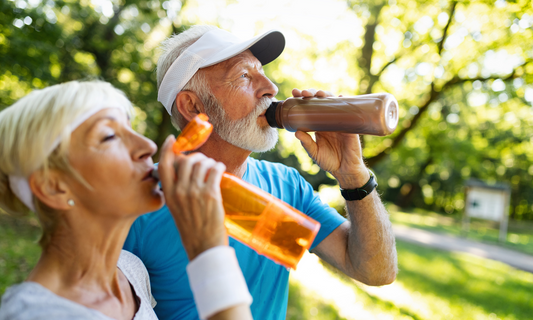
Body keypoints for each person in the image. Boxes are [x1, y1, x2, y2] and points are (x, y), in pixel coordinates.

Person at [124, 25, 398, 320]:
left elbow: (374, 271)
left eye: (262, 71)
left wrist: (353, 176)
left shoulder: (286, 187)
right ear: (192, 106)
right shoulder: (136, 202)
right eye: (244, 75)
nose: (270, 87)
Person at [0, 80, 253, 320]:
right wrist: (209, 252)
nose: (147, 146)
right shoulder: (35, 314)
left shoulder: (131, 272)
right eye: (109, 136)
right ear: (54, 187)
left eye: (130, 129)